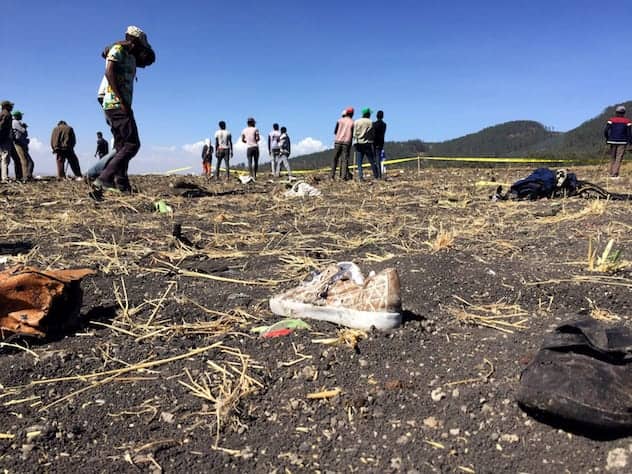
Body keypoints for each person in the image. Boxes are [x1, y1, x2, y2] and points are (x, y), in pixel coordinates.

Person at [93, 25, 154, 194]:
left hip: (121, 104)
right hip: (116, 103)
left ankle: (121, 183)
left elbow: (150, 59)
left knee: (121, 146)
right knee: (132, 144)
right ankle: (104, 178)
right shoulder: (118, 49)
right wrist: (121, 100)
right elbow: (109, 72)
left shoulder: (132, 56)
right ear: (134, 41)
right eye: (141, 45)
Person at [604, 105, 632, 178]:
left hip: (612, 141)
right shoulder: (627, 121)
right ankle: (614, 174)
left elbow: (606, 130)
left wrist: (607, 138)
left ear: (616, 112)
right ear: (624, 113)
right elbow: (629, 133)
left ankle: (611, 173)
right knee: (618, 158)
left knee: (612, 157)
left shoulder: (611, 120)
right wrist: (630, 143)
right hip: (622, 142)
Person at [354, 107, 379, 180]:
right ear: (368, 114)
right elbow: (372, 134)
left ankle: (360, 177)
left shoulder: (357, 121)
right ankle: (376, 175)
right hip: (367, 143)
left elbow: (354, 133)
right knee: (372, 161)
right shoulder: (370, 122)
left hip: (358, 143)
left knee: (359, 162)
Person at [331, 107, 354, 180]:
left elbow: (335, 131)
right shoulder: (352, 122)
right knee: (344, 160)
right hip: (346, 143)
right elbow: (353, 133)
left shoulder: (339, 120)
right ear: (352, 114)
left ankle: (332, 175)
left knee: (335, 158)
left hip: (338, 141)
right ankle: (343, 177)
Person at [11, 111, 34, 181]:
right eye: (20, 115)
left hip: (19, 143)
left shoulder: (14, 122)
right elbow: (23, 131)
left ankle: (26, 176)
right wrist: (24, 127)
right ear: (17, 116)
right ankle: (26, 177)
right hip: (19, 144)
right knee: (25, 161)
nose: (22, 116)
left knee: (26, 161)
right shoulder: (15, 122)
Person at [0, 100, 14, 183]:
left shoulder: (2, 113)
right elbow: (2, 127)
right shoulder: (7, 114)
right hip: (4, 139)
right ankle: (4, 177)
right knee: (5, 158)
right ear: (7, 106)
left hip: (2, 139)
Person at [373, 110, 387, 176]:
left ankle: (377, 174)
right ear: (383, 116)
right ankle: (379, 174)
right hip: (381, 143)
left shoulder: (374, 124)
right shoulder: (384, 125)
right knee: (378, 158)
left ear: (376, 116)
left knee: (374, 159)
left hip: (374, 143)